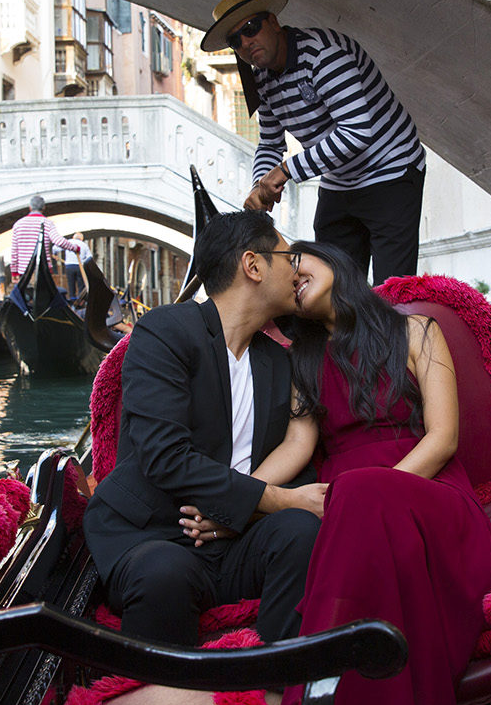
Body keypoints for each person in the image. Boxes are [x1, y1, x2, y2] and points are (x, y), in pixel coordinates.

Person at [182, 240, 491, 705]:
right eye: (287, 270)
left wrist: (376, 491)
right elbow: (299, 445)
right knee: (354, 505)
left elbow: (443, 437)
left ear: (338, 262)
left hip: (428, 494)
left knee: (357, 494)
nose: (294, 272)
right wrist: (242, 505)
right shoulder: (302, 359)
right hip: (348, 512)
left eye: (303, 259)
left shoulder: (417, 331)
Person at [82, 209, 326, 647]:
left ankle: (279, 677)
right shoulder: (166, 330)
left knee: (301, 533)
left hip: (238, 539)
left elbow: (295, 448)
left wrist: (245, 514)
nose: (297, 270)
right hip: (153, 533)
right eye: (288, 258)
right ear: (253, 265)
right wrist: (274, 499)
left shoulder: (279, 361)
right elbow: (165, 456)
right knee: (163, 573)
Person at [202, 0, 426, 285]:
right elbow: (270, 142)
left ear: (273, 22)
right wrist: (260, 186)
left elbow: (356, 133)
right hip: (340, 180)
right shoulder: (262, 78)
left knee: (392, 293)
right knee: (332, 287)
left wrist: (285, 172)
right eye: (235, 40)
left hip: (391, 170)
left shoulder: (323, 55)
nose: (245, 42)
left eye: (251, 28)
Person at [8, 195, 85, 284]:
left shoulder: (18, 225)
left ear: (30, 208)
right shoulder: (47, 223)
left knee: (26, 295)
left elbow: (14, 251)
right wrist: (74, 248)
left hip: (24, 270)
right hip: (43, 269)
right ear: (44, 208)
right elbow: (58, 241)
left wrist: (14, 272)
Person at [63, 232, 90, 302]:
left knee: (71, 283)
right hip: (80, 266)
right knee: (81, 284)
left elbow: (55, 248)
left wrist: (54, 253)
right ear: (82, 239)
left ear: (73, 237)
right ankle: (80, 300)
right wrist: (84, 260)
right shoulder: (84, 245)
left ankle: (72, 298)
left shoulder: (68, 242)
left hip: (69, 266)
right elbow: (89, 257)